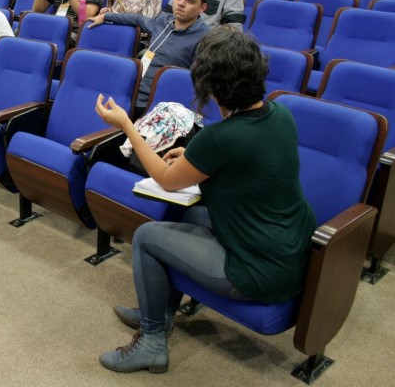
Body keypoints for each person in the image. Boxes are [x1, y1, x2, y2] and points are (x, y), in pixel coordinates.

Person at [94, 27, 317, 375]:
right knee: (191, 219)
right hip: (291, 252)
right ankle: (160, 312)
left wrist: (127, 125)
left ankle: (152, 342)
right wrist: (195, 159)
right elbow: (244, 165)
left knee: (147, 237)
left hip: (257, 271)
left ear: (211, 87)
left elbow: (167, 181)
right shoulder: (281, 114)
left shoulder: (219, 137)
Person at [88, 0, 210, 116]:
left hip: (161, 106)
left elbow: (191, 85)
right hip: (134, 92)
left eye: (190, 0)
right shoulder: (164, 21)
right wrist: (106, 16)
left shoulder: (205, 38)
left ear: (202, 7)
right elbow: (138, 19)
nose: (181, 3)